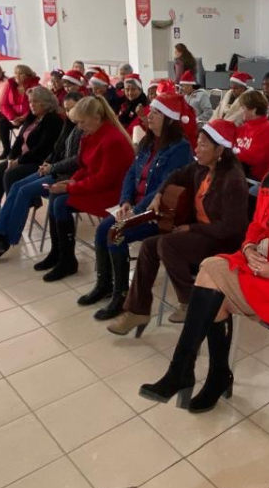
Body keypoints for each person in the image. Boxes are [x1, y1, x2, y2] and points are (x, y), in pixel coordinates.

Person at [139, 122, 269, 413]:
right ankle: (204, 373)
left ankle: (190, 371)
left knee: (211, 277)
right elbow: (256, 227)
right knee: (213, 281)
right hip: (263, 266)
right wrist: (249, 248)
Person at [107, 119, 250, 335]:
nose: (196, 149)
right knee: (149, 246)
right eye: (197, 143)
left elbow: (232, 228)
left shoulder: (233, 180)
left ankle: (190, 302)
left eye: (203, 145)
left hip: (222, 240)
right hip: (201, 233)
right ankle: (137, 310)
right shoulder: (201, 168)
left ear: (220, 150)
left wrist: (192, 229)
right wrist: (159, 194)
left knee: (167, 244)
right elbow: (175, 175)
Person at [79, 93, 195, 319]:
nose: (149, 116)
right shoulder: (148, 142)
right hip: (137, 206)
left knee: (116, 233)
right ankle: (104, 284)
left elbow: (164, 186)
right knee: (103, 229)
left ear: (169, 119)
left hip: (159, 212)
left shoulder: (179, 148)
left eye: (156, 113)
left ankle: (122, 295)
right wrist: (125, 201)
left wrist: (136, 210)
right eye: (151, 111)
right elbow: (131, 173)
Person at [36, 96, 135, 282]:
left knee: (61, 203)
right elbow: (85, 166)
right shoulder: (92, 134)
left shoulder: (112, 140)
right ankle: (58, 253)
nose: (79, 127)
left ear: (96, 118)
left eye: (82, 122)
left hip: (113, 194)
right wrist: (71, 181)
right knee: (56, 198)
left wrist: (71, 188)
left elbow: (103, 180)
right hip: (98, 186)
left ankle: (67, 260)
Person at [0, 92, 83, 256]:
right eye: (66, 109)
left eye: (72, 109)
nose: (69, 113)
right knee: (16, 185)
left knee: (21, 188)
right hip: (53, 169)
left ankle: (4, 241)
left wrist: (50, 167)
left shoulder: (74, 126)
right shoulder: (68, 124)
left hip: (64, 176)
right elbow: (55, 150)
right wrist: (47, 163)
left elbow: (75, 160)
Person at [0, 87, 63, 235]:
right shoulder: (32, 117)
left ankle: (12, 216)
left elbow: (42, 149)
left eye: (36, 101)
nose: (31, 104)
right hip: (23, 158)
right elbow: (19, 139)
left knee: (11, 175)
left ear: (46, 103)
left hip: (39, 162)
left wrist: (19, 161)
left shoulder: (53, 121)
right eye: (30, 101)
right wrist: (11, 157)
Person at [0, 64, 41, 160]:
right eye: (15, 73)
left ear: (28, 75)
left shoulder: (35, 86)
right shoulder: (10, 85)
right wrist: (12, 117)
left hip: (30, 116)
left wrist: (24, 116)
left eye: (20, 73)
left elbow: (37, 104)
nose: (17, 76)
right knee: (1, 123)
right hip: (14, 117)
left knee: (25, 128)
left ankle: (18, 151)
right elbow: (4, 104)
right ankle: (7, 150)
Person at [233, 90, 269, 181]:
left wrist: (234, 152)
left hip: (256, 178)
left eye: (243, 107)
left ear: (254, 110)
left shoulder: (267, 129)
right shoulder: (244, 127)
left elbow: (255, 158)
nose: (241, 111)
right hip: (240, 172)